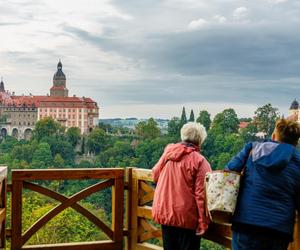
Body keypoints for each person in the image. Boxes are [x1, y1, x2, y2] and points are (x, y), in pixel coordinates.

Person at [225, 119, 300, 250]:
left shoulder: (252, 149)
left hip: (246, 223)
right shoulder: (298, 162)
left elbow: (229, 172)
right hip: (278, 230)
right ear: (296, 142)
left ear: (274, 135)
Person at [152, 122, 212, 250]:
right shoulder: (200, 161)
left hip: (165, 211)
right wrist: (203, 221)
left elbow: (155, 175)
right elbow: (201, 194)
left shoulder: (168, 153)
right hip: (186, 217)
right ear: (200, 140)